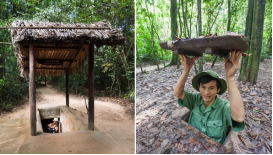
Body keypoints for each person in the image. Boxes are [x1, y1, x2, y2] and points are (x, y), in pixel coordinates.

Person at [174, 50, 245, 144]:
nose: (206, 92)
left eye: (211, 88)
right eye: (203, 87)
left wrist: (230, 77)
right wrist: (186, 70)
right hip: (191, 144)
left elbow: (239, 118)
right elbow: (178, 93)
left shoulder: (223, 107)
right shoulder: (195, 99)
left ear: (218, 90)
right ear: (199, 87)